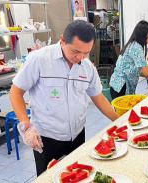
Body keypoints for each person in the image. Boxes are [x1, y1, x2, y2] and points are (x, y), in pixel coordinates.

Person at [9, 20, 119, 176]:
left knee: (78, 176)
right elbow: (15, 92)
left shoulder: (87, 67)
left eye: (86, 52)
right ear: (62, 40)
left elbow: (98, 97)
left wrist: (120, 119)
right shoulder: (39, 59)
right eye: (75, 51)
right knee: (48, 178)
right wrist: (27, 126)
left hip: (77, 135)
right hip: (46, 137)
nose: (80, 57)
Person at [109, 21, 148, 100]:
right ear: (144, 35)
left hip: (118, 84)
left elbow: (139, 71)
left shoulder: (133, 44)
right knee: (123, 111)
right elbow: (146, 72)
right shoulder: (136, 47)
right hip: (121, 86)